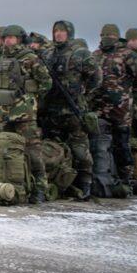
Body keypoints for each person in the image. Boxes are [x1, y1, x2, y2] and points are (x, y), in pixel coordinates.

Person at [39, 20, 99, 199]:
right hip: (51, 111)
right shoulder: (48, 54)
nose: (58, 34)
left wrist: (82, 95)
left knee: (80, 151)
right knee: (52, 150)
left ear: (69, 33)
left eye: (62, 31)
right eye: (56, 31)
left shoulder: (80, 54)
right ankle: (59, 184)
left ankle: (85, 186)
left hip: (73, 111)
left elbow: (96, 78)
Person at [0, 25, 51, 203]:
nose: (8, 40)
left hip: (24, 114)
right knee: (5, 150)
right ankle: (12, 184)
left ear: (19, 39)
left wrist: (30, 96)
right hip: (4, 112)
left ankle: (40, 188)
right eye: (6, 38)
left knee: (33, 151)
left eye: (12, 37)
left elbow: (46, 82)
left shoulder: (30, 58)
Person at [92, 24, 137, 182]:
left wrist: (125, 92)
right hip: (98, 108)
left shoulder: (128, 54)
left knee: (121, 143)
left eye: (111, 35)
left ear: (117, 37)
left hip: (120, 109)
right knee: (98, 143)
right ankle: (102, 178)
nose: (107, 38)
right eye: (104, 35)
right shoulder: (96, 55)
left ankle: (126, 179)